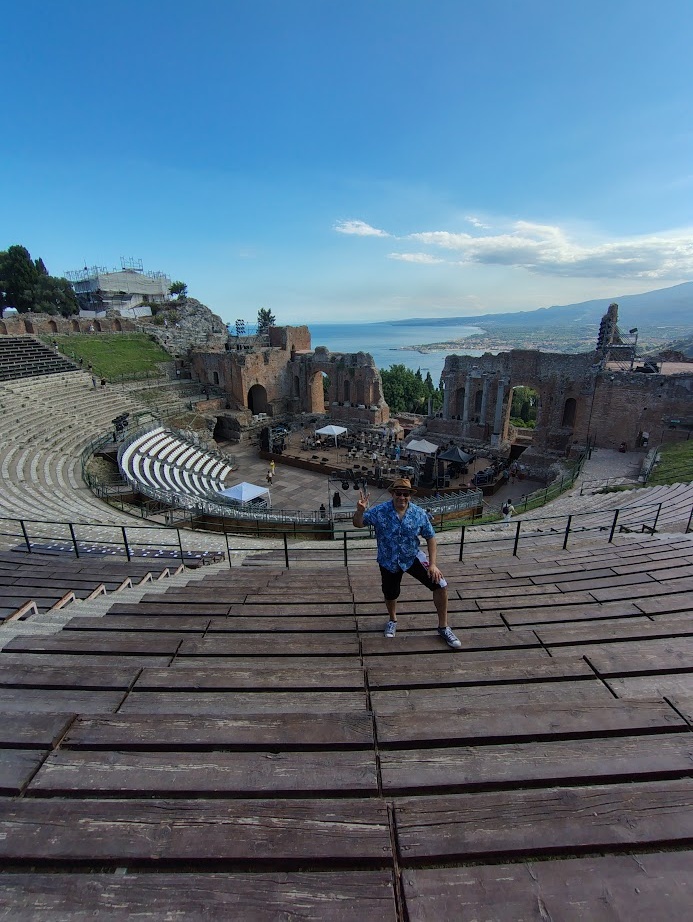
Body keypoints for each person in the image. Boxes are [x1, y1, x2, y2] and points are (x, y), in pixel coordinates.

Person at [352, 478, 461, 649]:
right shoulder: (380, 511)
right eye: (398, 493)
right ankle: (392, 619)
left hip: (412, 556)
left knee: (440, 584)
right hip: (389, 559)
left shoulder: (419, 513)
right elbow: (358, 524)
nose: (401, 497)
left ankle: (443, 627)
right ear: (392, 494)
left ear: (410, 496)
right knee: (390, 593)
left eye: (405, 494)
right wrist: (359, 511)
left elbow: (431, 537)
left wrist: (432, 564)